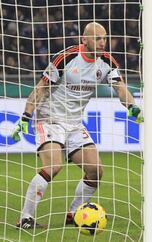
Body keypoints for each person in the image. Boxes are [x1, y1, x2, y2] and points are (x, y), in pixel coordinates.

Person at [12, 22, 141, 229]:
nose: (102, 42)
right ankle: (25, 218)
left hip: (74, 124)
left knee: (95, 170)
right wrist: (25, 117)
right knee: (53, 166)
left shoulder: (107, 62)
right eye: (98, 38)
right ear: (84, 39)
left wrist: (132, 107)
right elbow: (41, 88)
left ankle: (73, 213)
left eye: (104, 38)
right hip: (50, 118)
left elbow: (120, 88)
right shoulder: (67, 57)